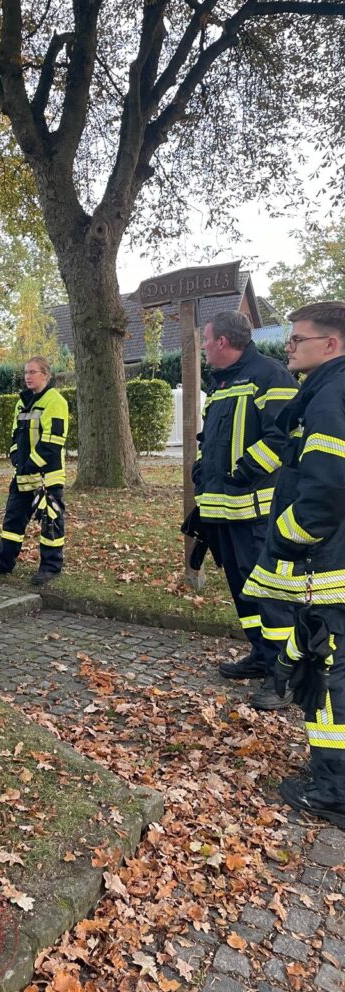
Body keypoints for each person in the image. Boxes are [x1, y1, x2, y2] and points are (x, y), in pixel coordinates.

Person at [241, 302, 345, 826]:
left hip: (327, 568)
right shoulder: (328, 391)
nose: (288, 347)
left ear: (331, 344)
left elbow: (325, 491)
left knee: (331, 678)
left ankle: (335, 790)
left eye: (297, 339)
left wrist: (284, 538)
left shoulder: (329, 399)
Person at [193, 312, 298, 709]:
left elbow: (284, 436)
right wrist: (201, 470)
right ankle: (261, 654)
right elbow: (212, 439)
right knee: (243, 591)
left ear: (222, 341)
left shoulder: (270, 376)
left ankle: (285, 677)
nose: (204, 346)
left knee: (270, 595)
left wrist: (246, 470)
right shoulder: (221, 382)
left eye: (206, 339)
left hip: (256, 513)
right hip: (223, 511)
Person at [0, 356, 69, 586]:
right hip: (23, 475)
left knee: (50, 522)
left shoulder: (55, 401)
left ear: (45, 375)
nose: (27, 377)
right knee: (12, 521)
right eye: (26, 372)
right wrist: (15, 457)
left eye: (32, 372)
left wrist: (30, 463)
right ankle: (3, 562)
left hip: (47, 477)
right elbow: (15, 436)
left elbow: (52, 441)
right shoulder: (21, 403)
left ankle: (50, 567)